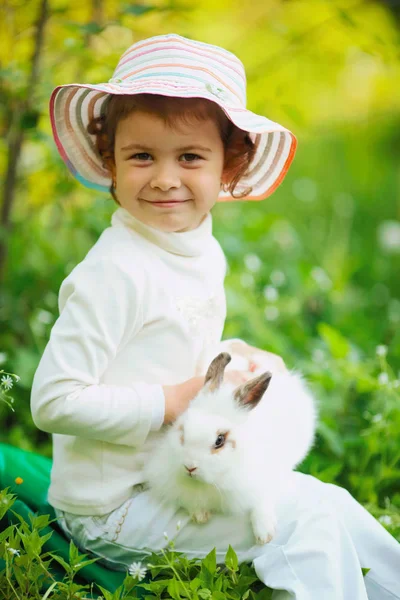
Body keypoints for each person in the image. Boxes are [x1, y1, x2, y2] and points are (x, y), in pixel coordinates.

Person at [31, 33, 400, 599]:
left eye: (190, 157)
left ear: (230, 165)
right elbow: (53, 400)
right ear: (110, 161)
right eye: (140, 156)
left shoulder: (198, 251)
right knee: (306, 524)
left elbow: (164, 342)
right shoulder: (111, 275)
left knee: (331, 502)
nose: (164, 178)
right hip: (114, 506)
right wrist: (171, 401)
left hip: (185, 475)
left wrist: (229, 357)